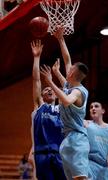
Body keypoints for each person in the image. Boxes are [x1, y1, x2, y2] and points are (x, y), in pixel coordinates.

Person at [40, 28, 89, 180]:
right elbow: (66, 59)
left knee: (81, 178)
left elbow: (66, 101)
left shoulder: (79, 91)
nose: (69, 67)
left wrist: (50, 81)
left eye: (71, 68)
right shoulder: (69, 86)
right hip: (67, 139)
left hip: (77, 139)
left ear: (73, 74)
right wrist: (60, 39)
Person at [30, 40, 66, 180]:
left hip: (60, 154)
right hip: (42, 154)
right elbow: (36, 80)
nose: (50, 90)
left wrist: (57, 74)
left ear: (57, 94)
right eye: (46, 89)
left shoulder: (63, 108)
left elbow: (69, 89)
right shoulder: (39, 105)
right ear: (42, 95)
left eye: (52, 89)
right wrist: (36, 57)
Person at [84, 101, 108, 180]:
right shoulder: (86, 124)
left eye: (96, 106)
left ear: (103, 111)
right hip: (90, 165)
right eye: (91, 107)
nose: (93, 108)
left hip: (107, 169)